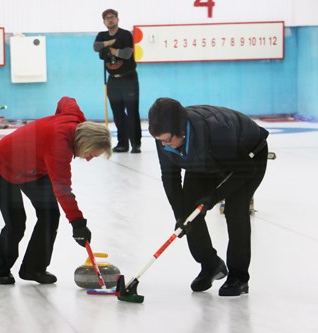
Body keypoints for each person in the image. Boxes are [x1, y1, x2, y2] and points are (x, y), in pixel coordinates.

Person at [148, 97, 269, 296]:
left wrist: (212, 198)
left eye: (168, 140)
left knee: (234, 211)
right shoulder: (165, 140)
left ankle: (238, 277)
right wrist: (180, 216)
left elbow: (245, 169)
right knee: (190, 214)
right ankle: (210, 265)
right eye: (160, 140)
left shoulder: (216, 130)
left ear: (181, 130)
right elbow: (169, 177)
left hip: (248, 158)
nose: (164, 145)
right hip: (206, 158)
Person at [0, 96, 112, 285]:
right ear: (85, 142)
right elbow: (63, 191)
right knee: (16, 223)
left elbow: (66, 100)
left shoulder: (76, 118)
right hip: (4, 165)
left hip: (34, 167)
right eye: (90, 154)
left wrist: (52, 124)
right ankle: (0, 270)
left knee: (49, 214)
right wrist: (78, 223)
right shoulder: (59, 148)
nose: (88, 159)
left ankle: (33, 269)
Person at [93, 9, 141, 154]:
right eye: (107, 18)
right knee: (118, 114)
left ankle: (135, 143)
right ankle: (122, 143)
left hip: (129, 78)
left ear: (117, 19)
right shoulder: (102, 35)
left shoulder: (125, 34)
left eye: (112, 17)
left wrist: (111, 50)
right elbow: (96, 48)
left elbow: (127, 54)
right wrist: (109, 43)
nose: (110, 20)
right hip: (113, 81)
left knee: (132, 112)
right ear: (104, 22)